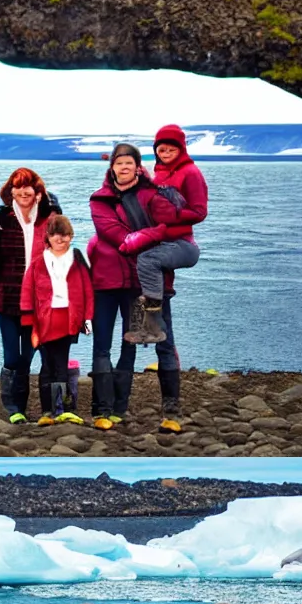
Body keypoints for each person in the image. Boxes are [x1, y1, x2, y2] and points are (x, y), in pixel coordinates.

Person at [88, 143, 190, 432]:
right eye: (118, 163)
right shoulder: (100, 200)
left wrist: (160, 234)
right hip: (107, 281)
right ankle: (104, 410)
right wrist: (157, 233)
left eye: (128, 163)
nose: (123, 167)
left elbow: (174, 226)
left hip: (146, 284)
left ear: (137, 166)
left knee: (159, 343)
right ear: (112, 167)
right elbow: (117, 236)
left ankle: (171, 413)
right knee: (104, 346)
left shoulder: (153, 194)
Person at [0, 168, 62, 423]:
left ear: (37, 190)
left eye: (28, 186)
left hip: (39, 303)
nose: (22, 191)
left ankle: (36, 408)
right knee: (12, 357)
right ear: (11, 191)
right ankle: (14, 409)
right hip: (8, 301)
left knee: (30, 355)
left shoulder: (50, 221)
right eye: (17, 187)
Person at [130, 123, 207, 346]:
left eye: (170, 150)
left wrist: (174, 214)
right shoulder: (161, 174)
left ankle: (152, 318)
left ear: (181, 149)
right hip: (163, 242)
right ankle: (155, 326)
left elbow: (200, 212)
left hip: (182, 243)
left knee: (147, 259)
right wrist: (144, 177)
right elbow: (155, 202)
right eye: (161, 150)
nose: (165, 155)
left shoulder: (190, 173)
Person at [20, 214, 94, 426]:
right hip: (45, 321)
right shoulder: (37, 263)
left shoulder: (78, 260)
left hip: (69, 320)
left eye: (64, 235)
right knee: (46, 365)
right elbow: (27, 293)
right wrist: (29, 323)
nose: (60, 239)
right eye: (55, 235)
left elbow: (88, 291)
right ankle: (47, 411)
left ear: (71, 236)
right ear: (48, 237)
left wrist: (88, 319)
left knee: (60, 363)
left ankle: (60, 409)